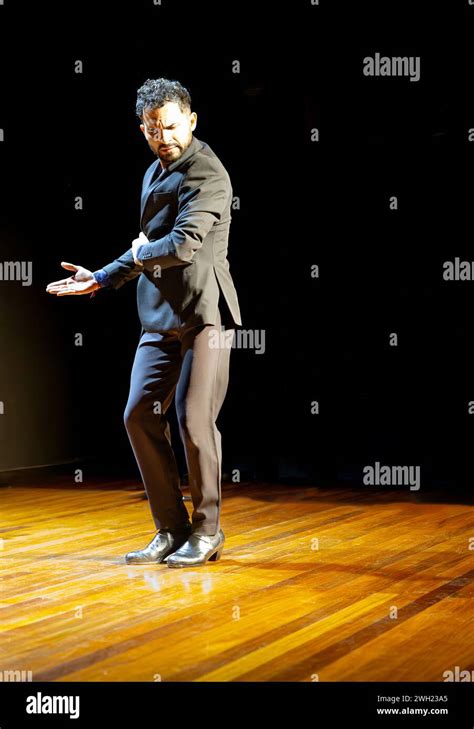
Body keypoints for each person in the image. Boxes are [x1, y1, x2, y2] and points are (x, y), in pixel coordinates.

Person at [46, 78, 242, 568]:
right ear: (143, 129)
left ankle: (207, 531)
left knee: (195, 420)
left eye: (173, 127)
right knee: (138, 416)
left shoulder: (209, 174)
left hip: (205, 315)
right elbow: (145, 245)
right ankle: (171, 528)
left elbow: (180, 244)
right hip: (158, 319)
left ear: (191, 121)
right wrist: (103, 277)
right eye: (154, 129)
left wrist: (135, 255)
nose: (165, 137)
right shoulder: (153, 173)